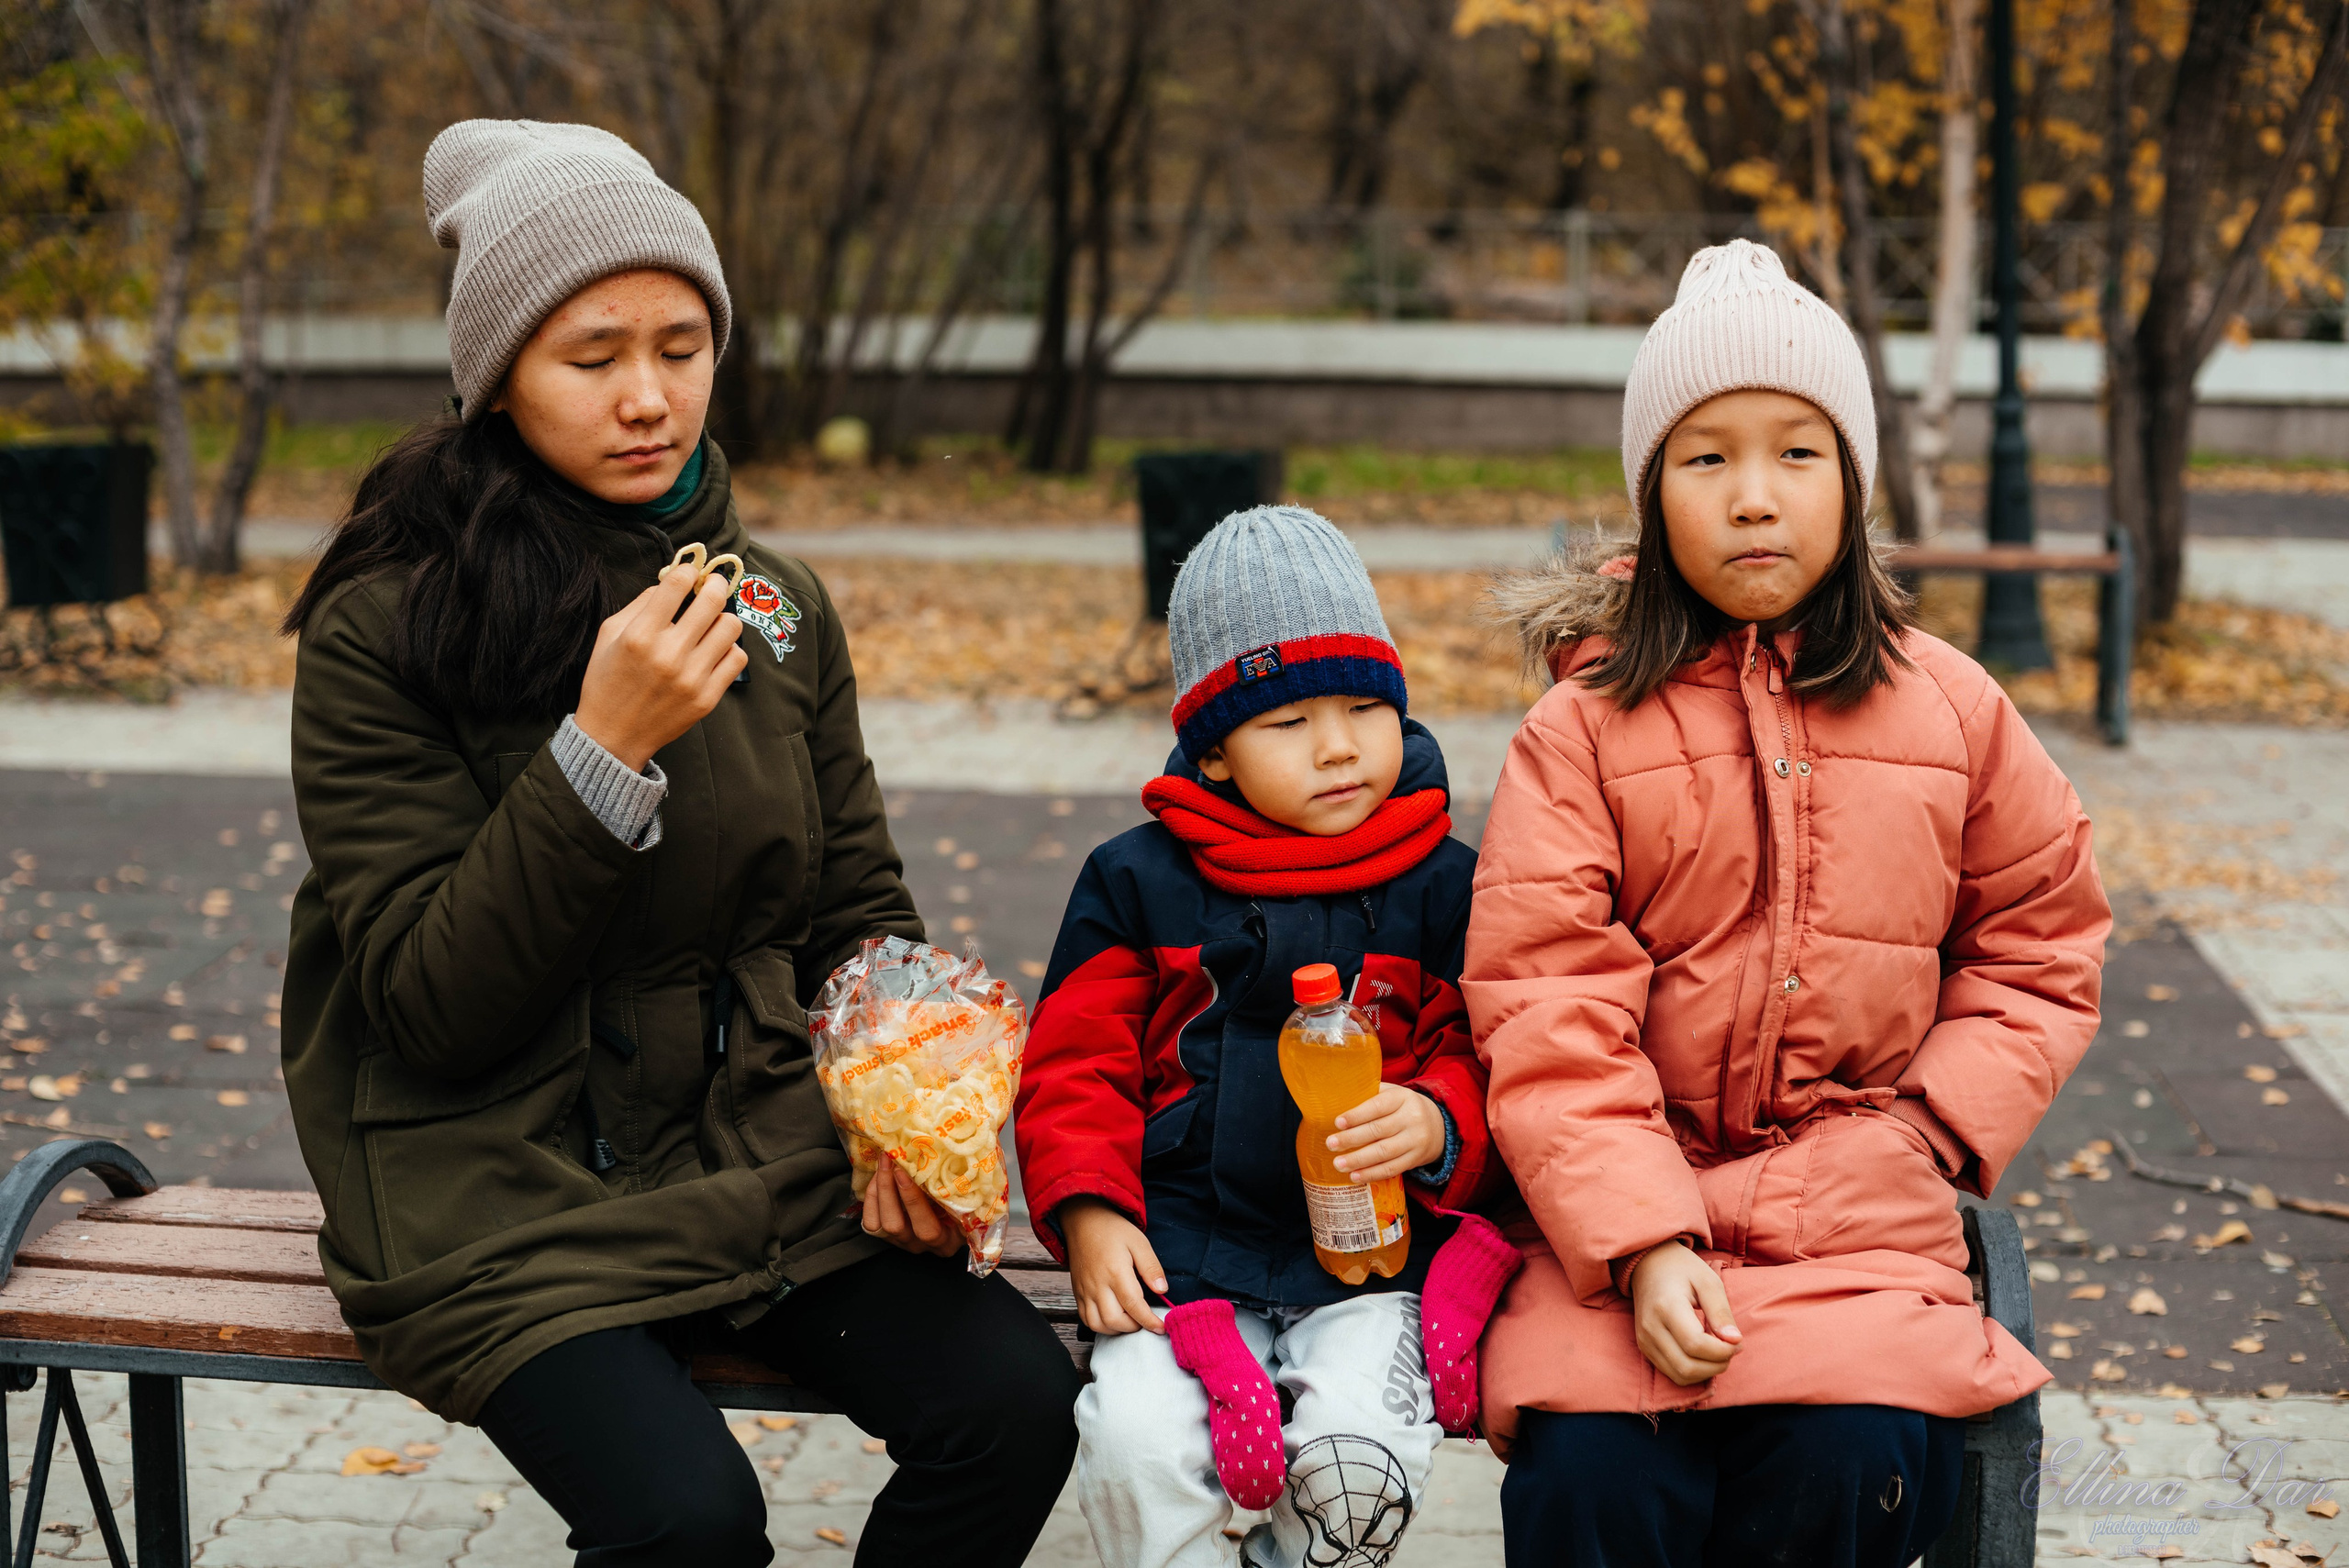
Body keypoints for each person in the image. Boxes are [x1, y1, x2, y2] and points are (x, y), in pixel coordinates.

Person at [277, 119, 1079, 1568]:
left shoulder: (778, 604)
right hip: (494, 1178)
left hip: (756, 1152)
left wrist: (908, 1115)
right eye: (593, 357)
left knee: (1019, 1408)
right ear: (500, 374)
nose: (650, 399)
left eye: (683, 345)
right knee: (689, 1520)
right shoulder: (385, 625)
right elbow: (426, 1008)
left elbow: (856, 909)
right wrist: (602, 753)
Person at [1466, 239, 2110, 1567]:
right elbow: (1547, 1005)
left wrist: (1928, 1130)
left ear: (1853, 482)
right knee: (1595, 1484)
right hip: (1621, 1223)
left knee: (1854, 1461)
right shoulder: (1578, 732)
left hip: (1861, 1225)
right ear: (1653, 492)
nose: (1754, 497)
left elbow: (2040, 941)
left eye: (1796, 454)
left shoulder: (1951, 707)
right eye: (1708, 459)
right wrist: (1642, 1242)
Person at [1015, 507, 1518, 1568]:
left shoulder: (1448, 882)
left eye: (1361, 706)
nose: (1337, 746)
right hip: (1180, 1253)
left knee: (1361, 1462)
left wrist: (1435, 1115)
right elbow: (1076, 1062)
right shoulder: (1137, 881)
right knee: (1136, 1444)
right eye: (1286, 725)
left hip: (1378, 1261)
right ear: (1216, 757)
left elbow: (1495, 1045)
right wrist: (1092, 1211)